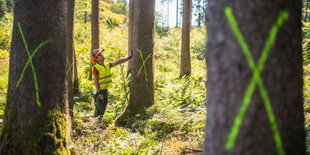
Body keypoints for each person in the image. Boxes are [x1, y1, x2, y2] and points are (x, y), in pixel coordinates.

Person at [91, 48, 132, 118]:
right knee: (99, 108)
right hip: (99, 91)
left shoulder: (107, 65)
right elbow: (96, 81)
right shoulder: (96, 68)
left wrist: (128, 58)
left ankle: (99, 121)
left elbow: (118, 62)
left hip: (105, 90)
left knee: (103, 107)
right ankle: (96, 122)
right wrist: (99, 92)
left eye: (101, 54)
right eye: (99, 55)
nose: (102, 55)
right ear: (97, 59)